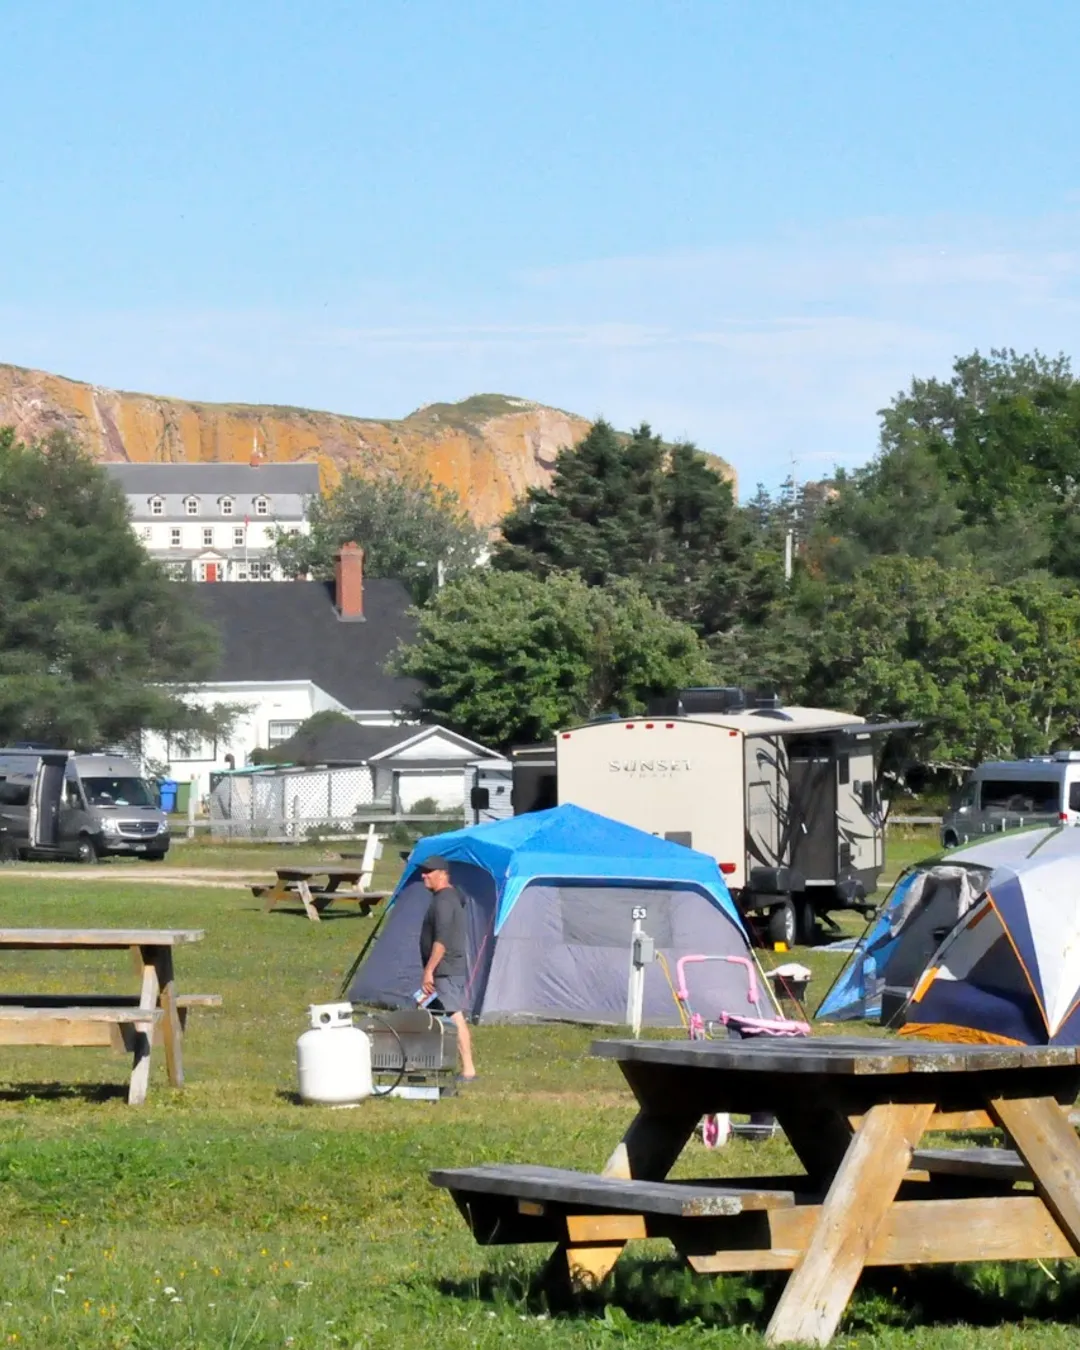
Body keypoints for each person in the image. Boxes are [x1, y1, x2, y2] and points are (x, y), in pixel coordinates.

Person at [418, 855, 477, 1081]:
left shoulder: (443, 901)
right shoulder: (452, 897)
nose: (424, 875)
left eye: (429, 872)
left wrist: (429, 970)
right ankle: (427, 1061)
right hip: (445, 968)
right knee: (427, 1012)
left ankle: (469, 1069)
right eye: (423, 871)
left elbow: (441, 939)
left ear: (443, 874)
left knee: (454, 1015)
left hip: (444, 969)